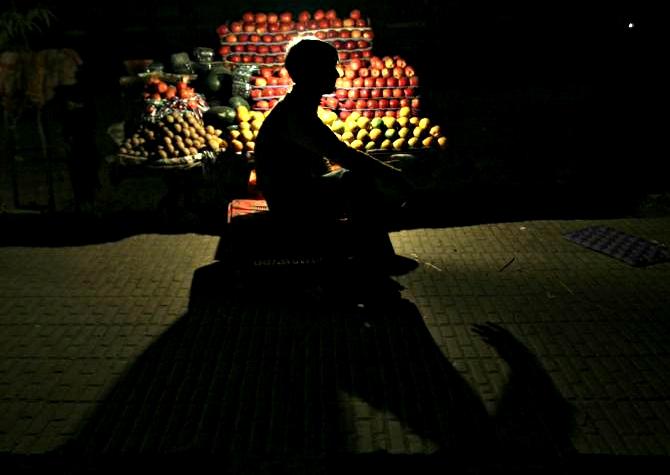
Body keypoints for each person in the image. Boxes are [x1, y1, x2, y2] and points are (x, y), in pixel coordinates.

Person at [254, 38, 415, 274]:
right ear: (312, 72)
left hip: (296, 190)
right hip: (290, 201)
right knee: (357, 180)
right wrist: (395, 175)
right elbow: (342, 154)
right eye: (331, 67)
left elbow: (333, 154)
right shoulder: (296, 116)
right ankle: (375, 258)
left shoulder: (298, 107)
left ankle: (373, 254)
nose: (337, 73)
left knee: (357, 175)